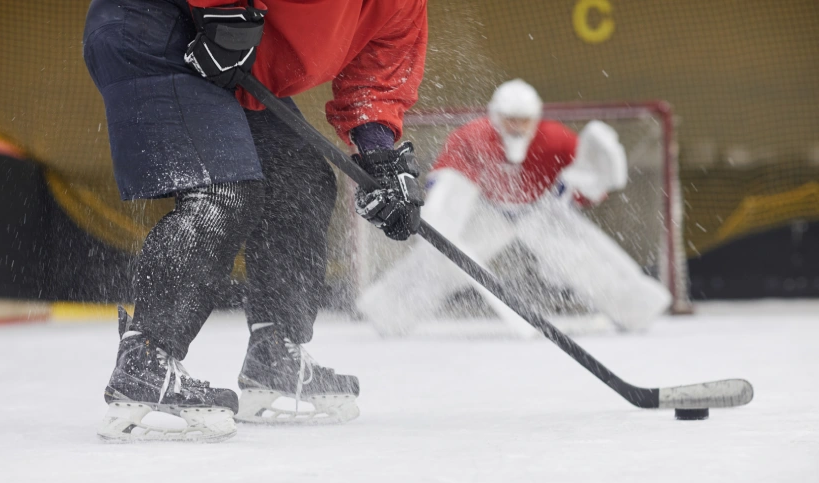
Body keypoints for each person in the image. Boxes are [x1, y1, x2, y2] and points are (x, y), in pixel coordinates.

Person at [84, 0, 427, 441]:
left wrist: (378, 156)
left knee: (300, 178)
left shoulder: (404, 5)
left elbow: (375, 77)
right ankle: (145, 359)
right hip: (158, 23)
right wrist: (222, 7)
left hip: (233, 56)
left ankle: (274, 353)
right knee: (223, 187)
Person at [357, 79, 671, 338]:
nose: (518, 127)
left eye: (525, 119)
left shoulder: (557, 139)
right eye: (511, 119)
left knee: (588, 260)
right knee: (439, 259)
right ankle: (388, 313)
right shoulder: (472, 136)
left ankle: (635, 310)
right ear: (496, 116)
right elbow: (448, 179)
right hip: (487, 213)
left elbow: (581, 190)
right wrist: (442, 217)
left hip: (540, 212)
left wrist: (595, 179)